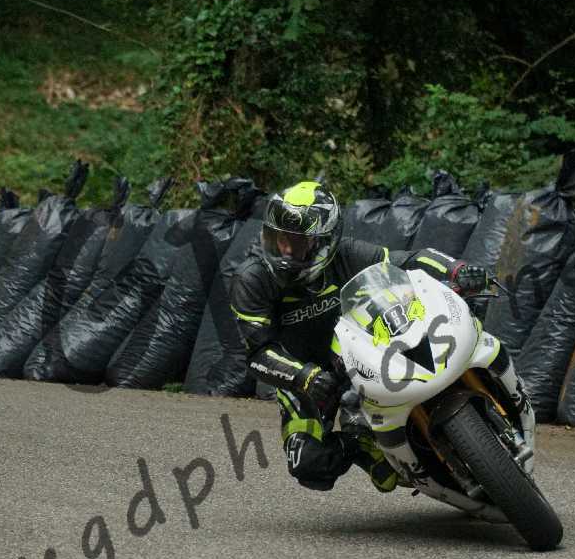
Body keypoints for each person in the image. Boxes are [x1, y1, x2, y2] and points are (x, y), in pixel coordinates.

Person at [228, 180, 535, 492]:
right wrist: (304, 377)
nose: (284, 251)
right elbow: (258, 354)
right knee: (307, 463)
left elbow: (409, 260)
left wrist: (456, 270)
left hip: (360, 353)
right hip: (304, 375)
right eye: (278, 239)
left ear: (324, 243)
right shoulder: (251, 279)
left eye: (296, 242)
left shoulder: (345, 253)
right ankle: (359, 443)